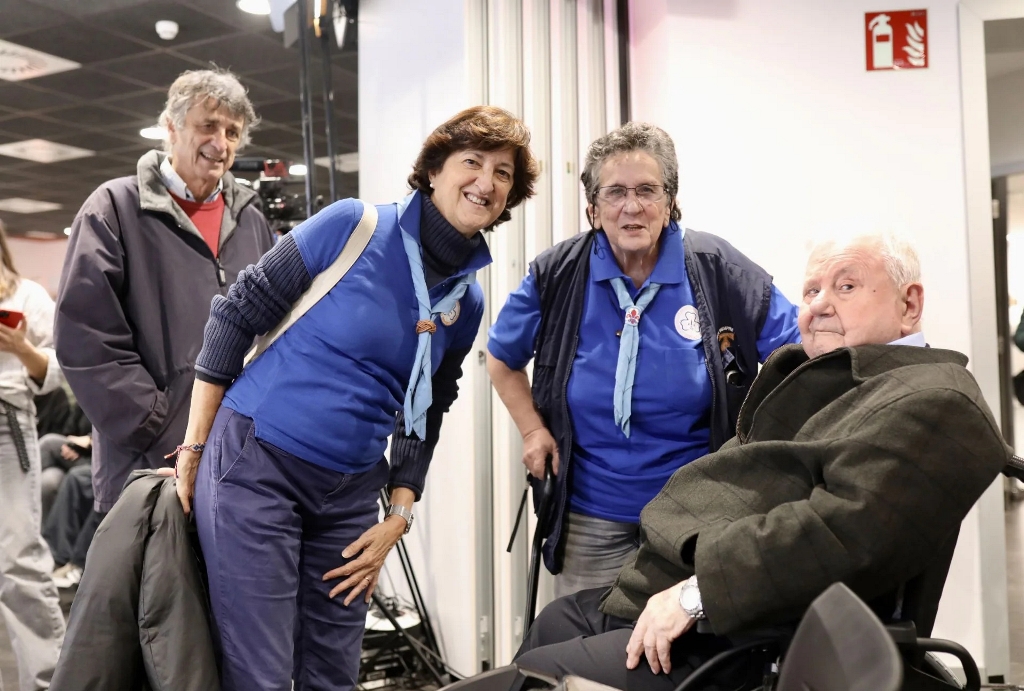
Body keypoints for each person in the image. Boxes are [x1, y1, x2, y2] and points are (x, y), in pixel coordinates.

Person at [505, 231, 1009, 691]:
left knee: (537, 678)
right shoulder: (833, 380)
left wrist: (693, 596)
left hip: (754, 634)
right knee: (553, 623)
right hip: (691, 594)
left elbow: (838, 534)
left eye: (846, 286)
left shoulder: (934, 398)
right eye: (811, 292)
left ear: (909, 304)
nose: (819, 305)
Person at [171, 105, 539, 691]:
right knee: (261, 674)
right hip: (257, 467)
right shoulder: (354, 225)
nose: (486, 182)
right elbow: (235, 315)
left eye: (503, 174)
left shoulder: (466, 303)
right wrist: (194, 446)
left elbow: (428, 407)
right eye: (473, 162)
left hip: (348, 497)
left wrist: (399, 513)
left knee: (334, 675)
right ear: (435, 170)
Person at [487, 122, 800, 596]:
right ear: (593, 210)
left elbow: (798, 354)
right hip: (589, 516)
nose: (631, 206)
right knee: (583, 637)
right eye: (615, 192)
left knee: (686, 639)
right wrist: (532, 431)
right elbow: (501, 358)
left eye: (647, 190)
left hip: (696, 516)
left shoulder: (719, 269)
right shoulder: (558, 273)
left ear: (670, 202)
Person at [53, 69, 274, 553]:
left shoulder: (253, 222)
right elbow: (85, 338)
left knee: (229, 599)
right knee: (154, 599)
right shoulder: (113, 209)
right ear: (171, 127)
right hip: (149, 467)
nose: (221, 143)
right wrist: (157, 424)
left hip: (238, 464)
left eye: (232, 131)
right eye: (208, 126)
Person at [0, 219, 66, 690]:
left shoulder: (28, 296)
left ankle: (47, 682)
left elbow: (59, 370)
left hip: (7, 424)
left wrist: (21, 348)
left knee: (18, 560)